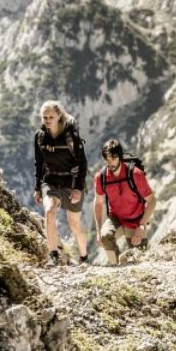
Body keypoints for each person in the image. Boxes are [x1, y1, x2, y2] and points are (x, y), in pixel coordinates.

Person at [33, 100, 89, 267]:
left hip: (70, 182)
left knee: (74, 224)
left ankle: (84, 258)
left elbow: (83, 163)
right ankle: (53, 255)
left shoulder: (71, 136)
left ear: (59, 116)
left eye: (51, 116)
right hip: (50, 181)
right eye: (44, 117)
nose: (47, 120)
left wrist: (78, 188)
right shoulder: (40, 136)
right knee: (49, 211)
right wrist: (37, 187)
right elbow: (39, 163)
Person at [93, 138, 156, 266]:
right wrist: (99, 231)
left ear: (120, 157)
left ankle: (126, 260)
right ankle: (115, 266)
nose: (110, 163)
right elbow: (98, 203)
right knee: (105, 236)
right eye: (107, 159)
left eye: (113, 158)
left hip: (136, 221)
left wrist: (142, 226)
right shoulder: (101, 177)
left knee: (141, 261)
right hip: (116, 218)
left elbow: (152, 200)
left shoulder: (135, 174)